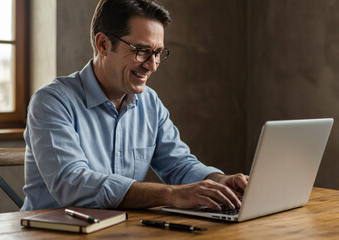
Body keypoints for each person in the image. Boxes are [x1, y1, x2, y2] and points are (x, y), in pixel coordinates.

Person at [21, 0, 248, 212]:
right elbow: (73, 184)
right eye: (142, 51)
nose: (152, 65)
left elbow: (178, 165)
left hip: (121, 231)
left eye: (158, 53)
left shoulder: (149, 102)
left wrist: (218, 181)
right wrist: (172, 194)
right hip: (52, 232)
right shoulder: (52, 101)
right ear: (103, 44)